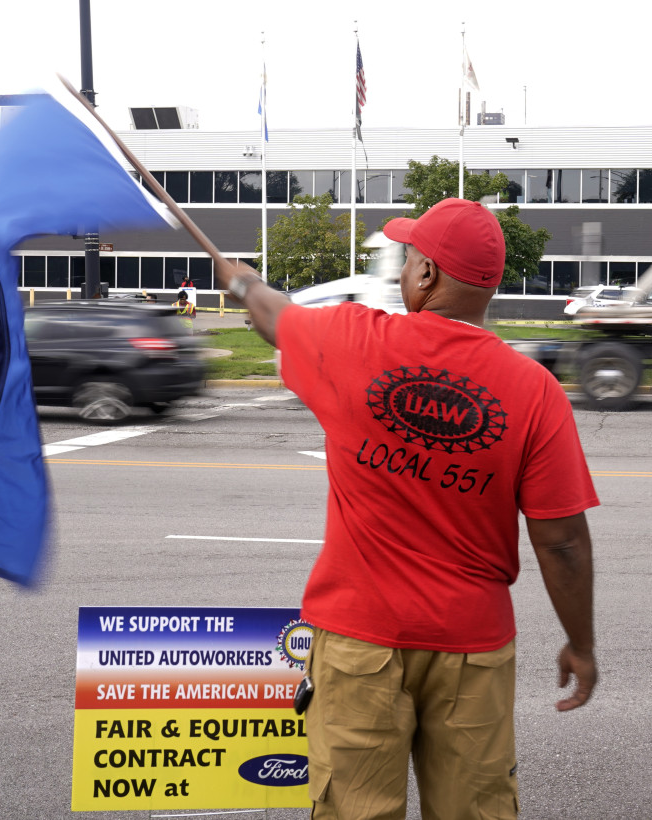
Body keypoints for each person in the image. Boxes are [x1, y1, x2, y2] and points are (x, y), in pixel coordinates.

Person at [216, 198, 599, 819]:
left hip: (359, 638)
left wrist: (240, 279)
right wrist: (580, 644)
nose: (402, 272)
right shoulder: (535, 392)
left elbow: (270, 313)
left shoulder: (348, 340)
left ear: (427, 277)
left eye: (409, 259)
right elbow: (561, 541)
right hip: (472, 646)